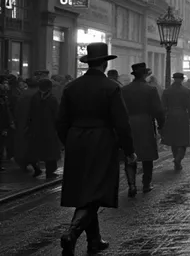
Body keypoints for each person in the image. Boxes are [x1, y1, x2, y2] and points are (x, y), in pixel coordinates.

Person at [56, 43, 135, 255]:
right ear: (105, 63)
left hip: (76, 140)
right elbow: (122, 123)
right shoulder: (111, 87)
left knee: (86, 190)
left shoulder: (71, 87)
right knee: (95, 192)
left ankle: (94, 240)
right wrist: (129, 150)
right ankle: (72, 233)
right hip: (101, 141)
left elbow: (61, 122)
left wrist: (69, 142)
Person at [121, 63, 165, 196]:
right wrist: (161, 125)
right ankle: (146, 184)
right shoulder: (150, 90)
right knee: (147, 155)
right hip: (145, 122)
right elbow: (158, 109)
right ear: (145, 75)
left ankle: (132, 185)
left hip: (129, 122)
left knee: (130, 153)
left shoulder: (125, 89)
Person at [26, 79, 62, 179]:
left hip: (36, 128)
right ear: (49, 87)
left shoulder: (35, 97)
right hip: (49, 129)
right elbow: (56, 115)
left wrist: (29, 125)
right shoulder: (52, 99)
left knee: (34, 149)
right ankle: (50, 172)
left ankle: (36, 168)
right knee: (50, 151)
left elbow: (30, 113)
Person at [162, 73, 190, 171]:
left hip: (171, 115)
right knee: (183, 140)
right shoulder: (186, 91)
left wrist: (164, 117)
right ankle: (178, 159)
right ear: (182, 80)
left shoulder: (167, 91)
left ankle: (176, 158)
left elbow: (163, 106)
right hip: (182, 116)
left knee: (174, 140)